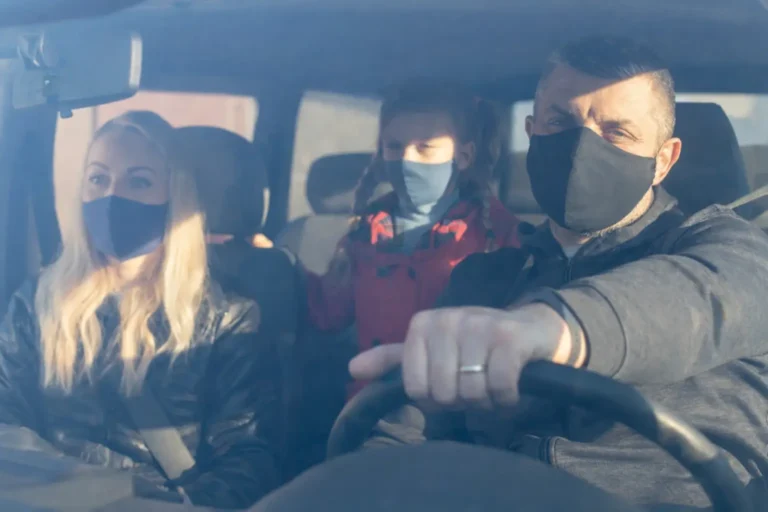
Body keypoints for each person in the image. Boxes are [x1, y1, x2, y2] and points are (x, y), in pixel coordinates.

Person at [348, 37, 768, 509]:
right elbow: (404, 434)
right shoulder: (483, 280)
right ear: (532, 132)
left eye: (617, 133)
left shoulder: (729, 249)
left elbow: (709, 295)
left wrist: (552, 325)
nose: (582, 148)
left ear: (664, 160)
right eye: (560, 122)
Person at [0, 111, 282, 509]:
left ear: (175, 197)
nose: (113, 195)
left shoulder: (227, 319)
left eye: (139, 181)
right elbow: (5, 427)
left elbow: (248, 461)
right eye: (98, 178)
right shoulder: (35, 303)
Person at [306, 83, 522, 398]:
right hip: (371, 407)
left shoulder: (496, 233)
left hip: (462, 410)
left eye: (425, 146)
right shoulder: (363, 233)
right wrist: (278, 270)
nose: (406, 158)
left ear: (463, 156)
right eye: (394, 146)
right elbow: (327, 313)